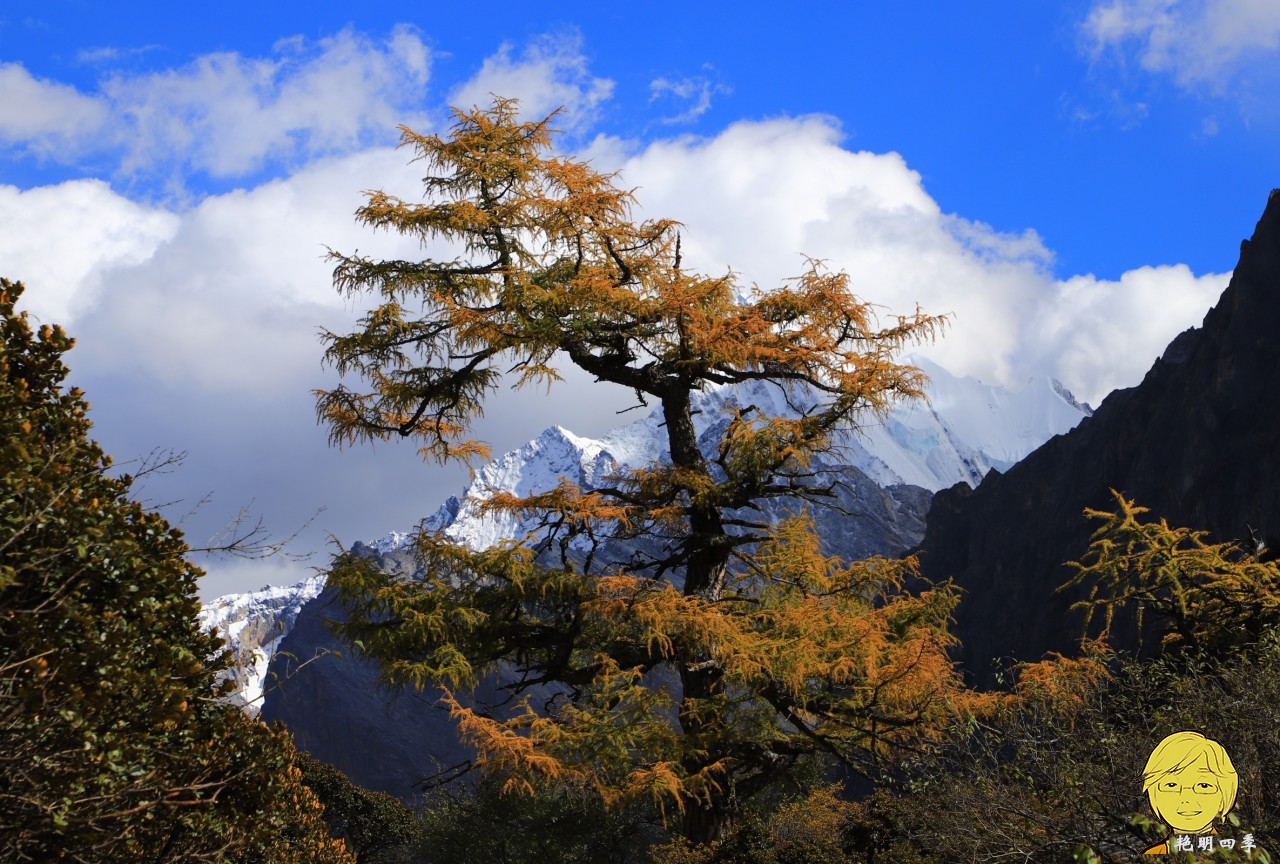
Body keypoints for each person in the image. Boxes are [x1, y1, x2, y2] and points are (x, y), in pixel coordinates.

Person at [1141, 731, 1238, 855]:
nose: (1186, 798)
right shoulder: (1153, 855)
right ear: (1154, 794)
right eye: (1172, 785)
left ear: (1225, 794)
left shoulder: (1235, 855)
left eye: (1204, 785)